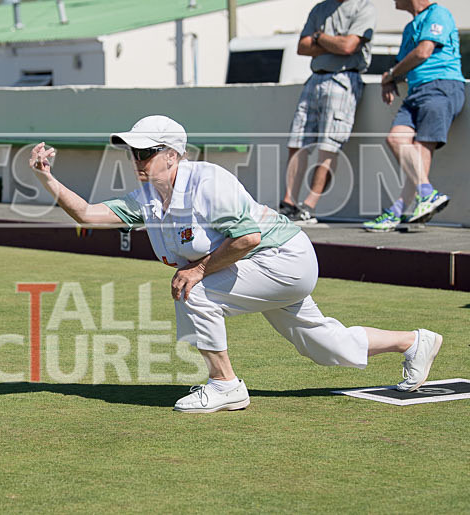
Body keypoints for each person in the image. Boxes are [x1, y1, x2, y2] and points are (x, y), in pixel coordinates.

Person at [28, 115, 443, 413]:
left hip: (284, 259)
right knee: (323, 345)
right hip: (262, 266)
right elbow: (86, 214)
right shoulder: (147, 197)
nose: (137, 158)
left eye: (147, 151)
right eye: (133, 151)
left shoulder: (208, 183)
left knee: (194, 289)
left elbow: (248, 237)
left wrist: (196, 270)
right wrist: (47, 177)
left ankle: (225, 385)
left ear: (173, 155)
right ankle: (414, 341)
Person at [363, 0, 464, 233]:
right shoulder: (410, 27)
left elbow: (423, 51)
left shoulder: (438, 13)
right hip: (416, 91)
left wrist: (390, 74)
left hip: (441, 87)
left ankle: (398, 210)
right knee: (397, 139)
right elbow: (402, 63)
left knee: (419, 150)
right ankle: (425, 195)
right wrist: (391, 79)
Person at [280, 0, 376, 225]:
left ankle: (308, 206)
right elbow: (302, 46)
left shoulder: (363, 8)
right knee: (297, 141)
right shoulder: (320, 9)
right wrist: (331, 42)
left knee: (328, 145)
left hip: (344, 79)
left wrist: (319, 38)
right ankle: (288, 204)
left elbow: (348, 47)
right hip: (315, 79)